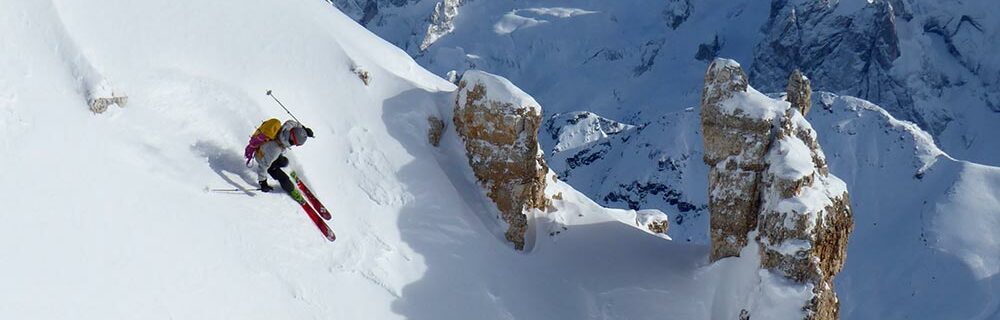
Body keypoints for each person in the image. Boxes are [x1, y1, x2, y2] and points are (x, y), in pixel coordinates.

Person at [244, 119, 314, 202]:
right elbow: (263, 166)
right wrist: (263, 182)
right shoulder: (274, 150)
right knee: (283, 178)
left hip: (267, 150)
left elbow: (292, 123)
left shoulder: (285, 128)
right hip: (262, 156)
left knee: (284, 162)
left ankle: (279, 165)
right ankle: (291, 190)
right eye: (294, 143)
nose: (293, 145)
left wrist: (303, 130)